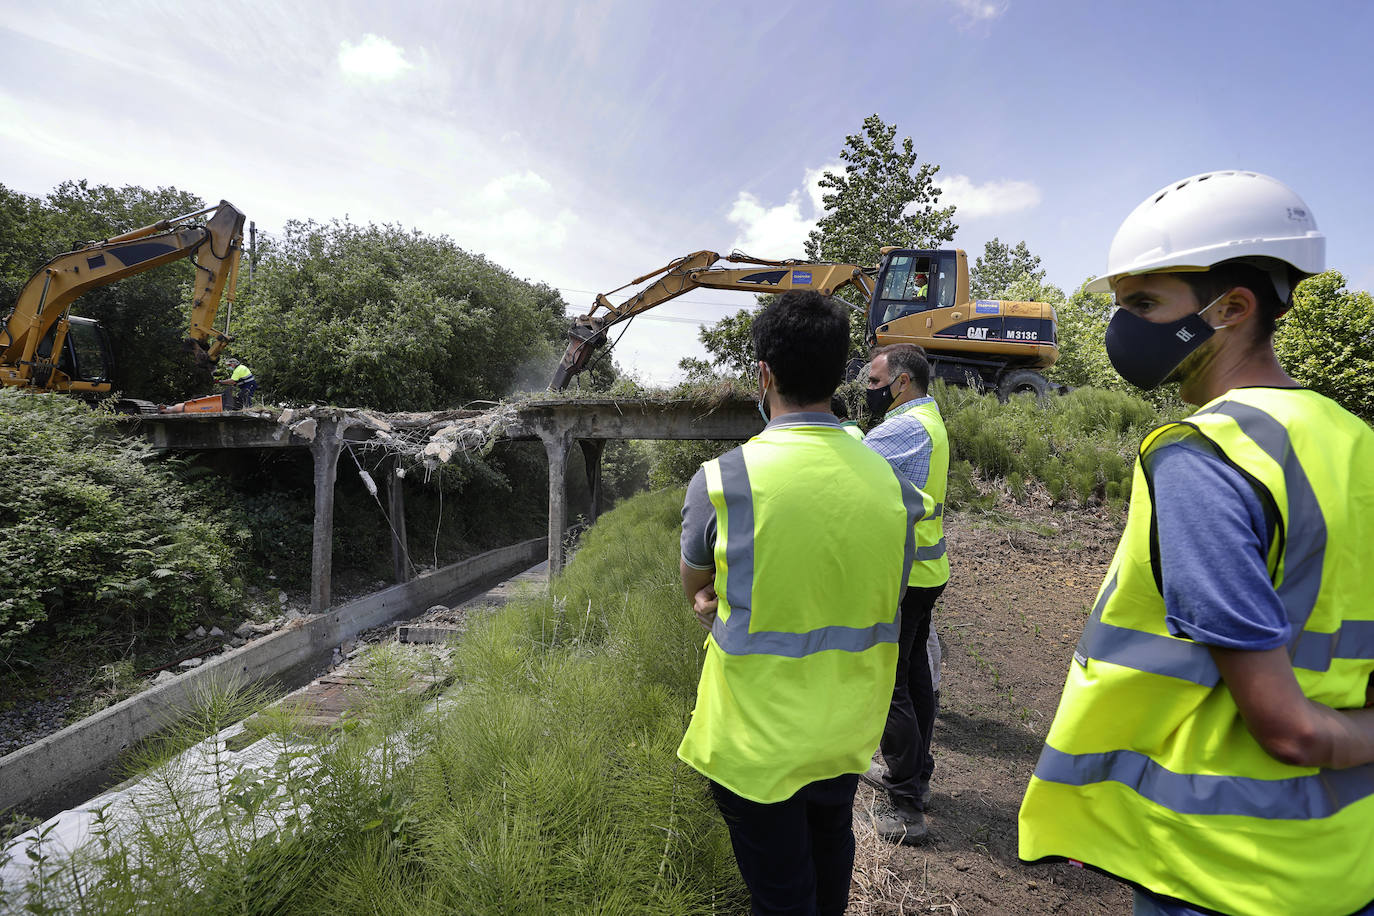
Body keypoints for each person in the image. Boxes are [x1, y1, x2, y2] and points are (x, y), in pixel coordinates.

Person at [1018, 171, 1374, 916]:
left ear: (1232, 308)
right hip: (1343, 860)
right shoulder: (1354, 442)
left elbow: (1291, 731)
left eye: (1143, 304)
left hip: (1222, 870)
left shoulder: (1203, 456)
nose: (1120, 328)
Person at [678, 290, 925, 916]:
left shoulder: (724, 480)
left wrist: (713, 604)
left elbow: (697, 589)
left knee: (782, 896)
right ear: (841, 372)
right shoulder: (890, 483)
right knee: (828, 848)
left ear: (764, 375)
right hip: (845, 727)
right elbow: (888, 593)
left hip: (755, 738)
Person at [858, 343, 950, 844]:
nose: (869, 391)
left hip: (905, 575)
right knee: (915, 680)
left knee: (892, 687)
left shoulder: (903, 427)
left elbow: (848, 461)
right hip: (928, 569)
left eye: (874, 383)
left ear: (902, 382)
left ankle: (907, 806)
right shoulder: (931, 420)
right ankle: (919, 775)